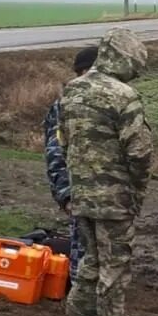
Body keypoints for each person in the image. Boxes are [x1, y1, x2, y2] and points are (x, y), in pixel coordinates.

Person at [60, 28, 153, 316]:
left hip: (82, 193)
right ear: (126, 61)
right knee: (114, 267)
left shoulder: (71, 90)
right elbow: (139, 152)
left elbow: (64, 140)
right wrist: (137, 189)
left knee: (91, 260)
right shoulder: (123, 96)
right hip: (115, 197)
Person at [43, 45, 98, 275]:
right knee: (83, 265)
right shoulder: (66, 106)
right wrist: (66, 195)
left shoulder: (109, 103)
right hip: (80, 197)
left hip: (109, 200)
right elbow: (55, 152)